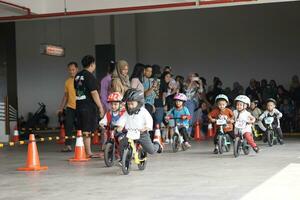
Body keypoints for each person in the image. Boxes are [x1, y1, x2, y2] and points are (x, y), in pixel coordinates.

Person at [116, 89, 163, 165]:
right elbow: (122, 120)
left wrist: (146, 127)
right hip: (130, 133)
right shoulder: (127, 112)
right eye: (128, 104)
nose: (130, 106)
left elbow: (149, 119)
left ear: (138, 103)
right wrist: (120, 126)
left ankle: (157, 145)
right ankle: (124, 160)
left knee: (151, 150)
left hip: (142, 134)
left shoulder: (143, 111)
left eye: (132, 104)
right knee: (122, 144)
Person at [74, 55, 105, 158]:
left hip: (79, 105)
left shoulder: (77, 75)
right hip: (88, 106)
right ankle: (88, 152)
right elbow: (94, 93)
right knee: (87, 129)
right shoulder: (89, 76)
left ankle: (84, 151)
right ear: (92, 64)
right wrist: (100, 106)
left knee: (82, 128)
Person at [58, 62, 79, 152]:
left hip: (80, 106)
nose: (71, 71)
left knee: (81, 126)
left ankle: (82, 145)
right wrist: (61, 107)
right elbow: (66, 96)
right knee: (68, 125)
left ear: (77, 69)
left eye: (73, 69)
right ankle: (68, 145)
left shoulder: (81, 80)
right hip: (70, 107)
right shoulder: (67, 82)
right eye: (70, 70)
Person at [99, 92, 126, 158]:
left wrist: (121, 127)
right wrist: (102, 124)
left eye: (115, 104)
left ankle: (124, 154)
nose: (113, 106)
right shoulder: (109, 113)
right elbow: (104, 120)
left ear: (121, 104)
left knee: (120, 139)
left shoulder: (124, 113)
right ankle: (111, 151)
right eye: (111, 104)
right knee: (107, 141)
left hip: (123, 132)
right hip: (112, 132)